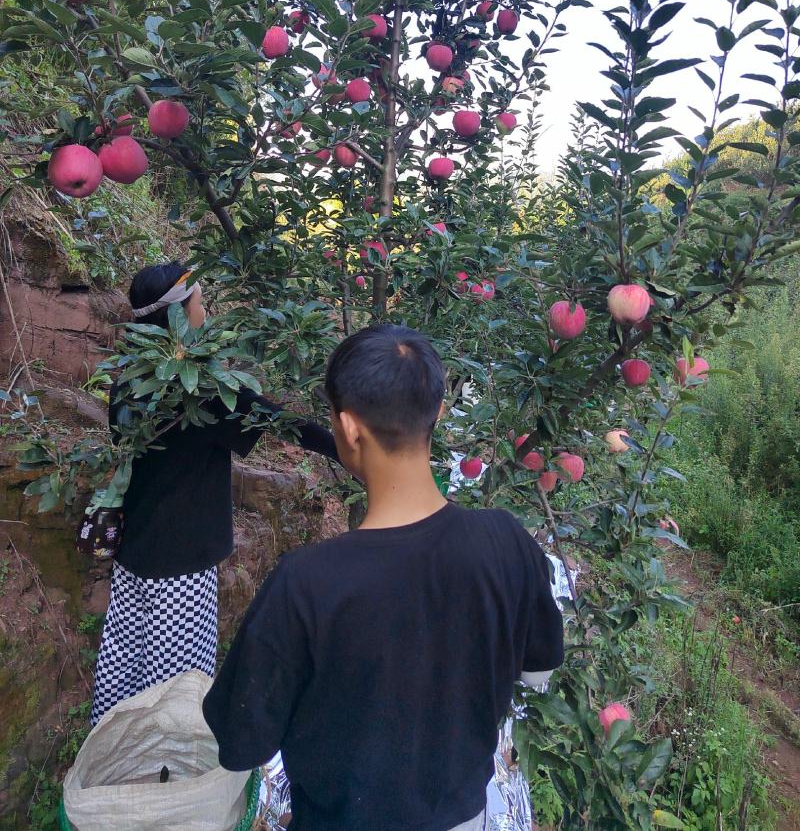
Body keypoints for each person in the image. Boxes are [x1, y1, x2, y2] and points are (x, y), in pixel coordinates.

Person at [203, 324, 564, 831]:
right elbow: (538, 671)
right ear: (437, 410)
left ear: (348, 429)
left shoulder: (305, 584)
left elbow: (241, 744)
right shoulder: (508, 541)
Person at [90, 261, 340, 726]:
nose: (206, 311)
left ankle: (112, 755)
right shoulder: (200, 389)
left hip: (134, 551)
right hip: (181, 562)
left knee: (123, 663)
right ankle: (165, 781)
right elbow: (276, 420)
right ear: (178, 317)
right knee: (174, 687)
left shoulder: (127, 376)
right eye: (200, 303)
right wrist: (346, 448)